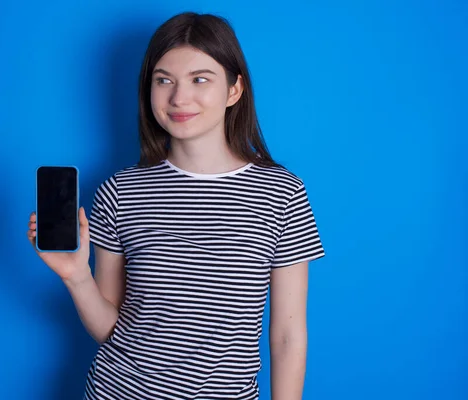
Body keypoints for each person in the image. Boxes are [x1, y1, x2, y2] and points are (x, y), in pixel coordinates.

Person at [27, 11, 325, 400]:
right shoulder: (120, 191)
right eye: (163, 80)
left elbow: (287, 336)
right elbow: (109, 329)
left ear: (234, 90)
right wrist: (75, 276)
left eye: (200, 79)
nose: (179, 97)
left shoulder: (280, 192)